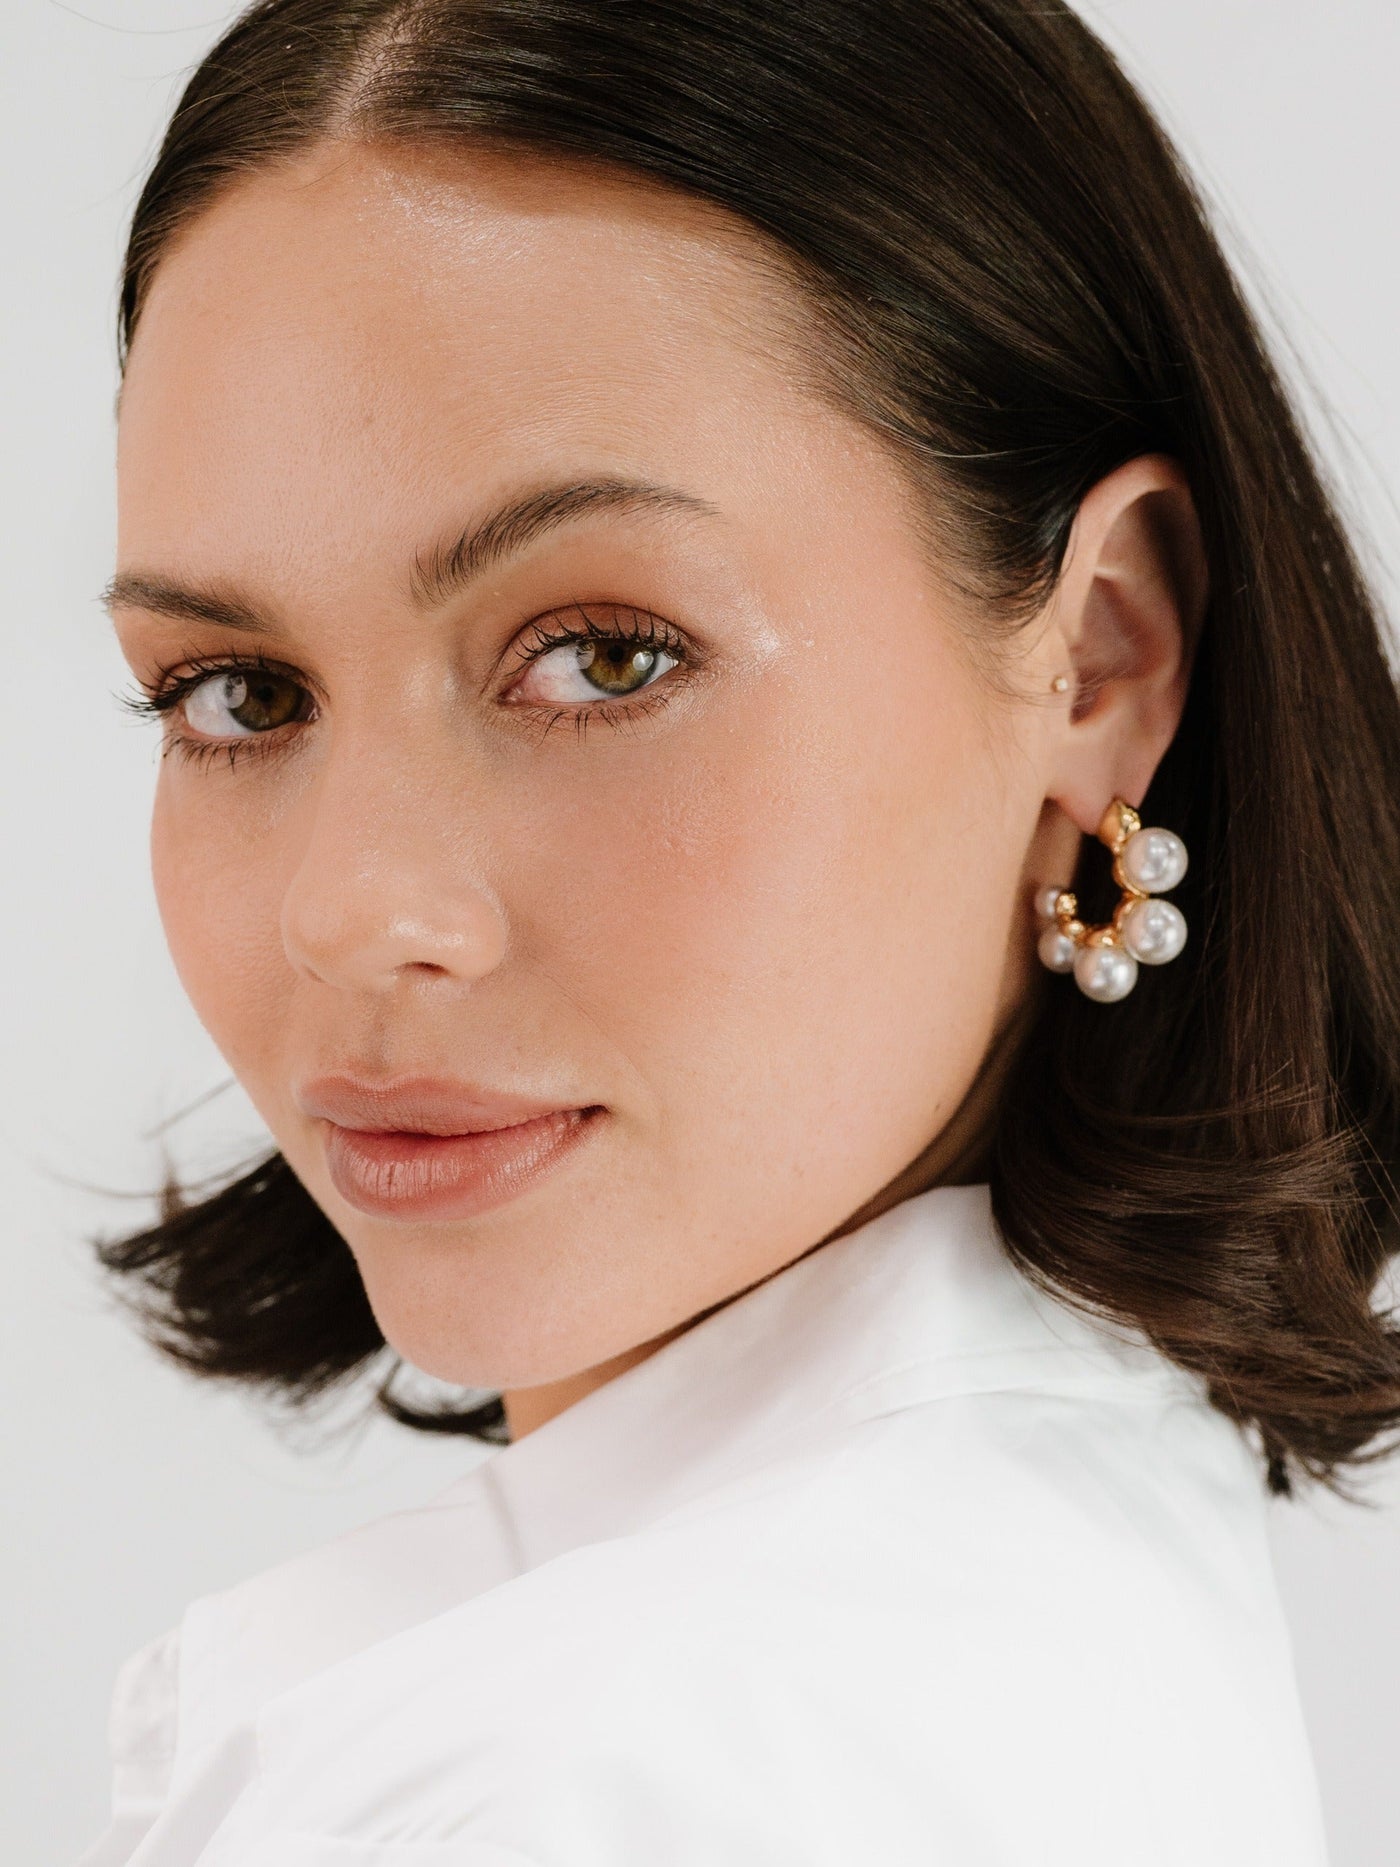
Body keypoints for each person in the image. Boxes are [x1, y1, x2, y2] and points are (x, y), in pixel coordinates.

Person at [79, 1, 1400, 1861]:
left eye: (603, 658)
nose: (353, 914)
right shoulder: (1023, 1602)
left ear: (1101, 652)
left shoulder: (642, 1777)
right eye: (236, 692)